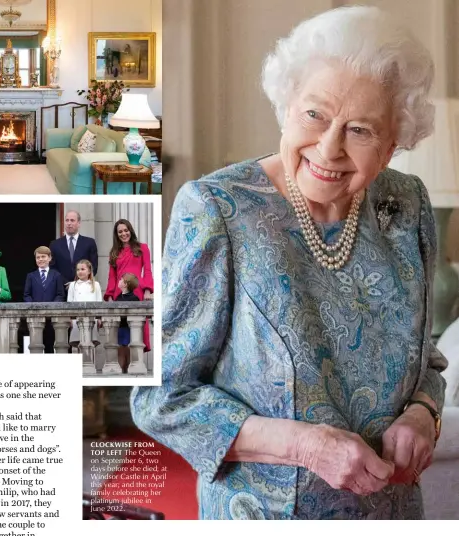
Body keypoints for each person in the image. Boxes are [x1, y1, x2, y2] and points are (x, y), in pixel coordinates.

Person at [131, 6, 448, 520]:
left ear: (392, 145)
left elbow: (425, 358)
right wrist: (305, 447)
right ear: (286, 106)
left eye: (361, 130)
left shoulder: (406, 205)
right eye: (315, 114)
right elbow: (161, 398)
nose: (329, 147)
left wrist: (422, 413)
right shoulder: (218, 210)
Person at [104, 219, 153, 353]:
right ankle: (123, 369)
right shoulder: (114, 252)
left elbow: (148, 270)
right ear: (116, 234)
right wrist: (109, 296)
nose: (123, 234)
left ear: (130, 230)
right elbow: (112, 276)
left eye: (126, 230)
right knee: (121, 335)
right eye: (120, 231)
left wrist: (148, 290)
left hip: (137, 292)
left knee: (137, 330)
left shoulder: (142, 248)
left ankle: (136, 364)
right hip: (119, 294)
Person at [23, 246, 65, 353]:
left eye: (43, 256)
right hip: (35, 317)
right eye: (38, 257)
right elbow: (27, 295)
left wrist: (52, 307)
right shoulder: (31, 276)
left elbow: (60, 294)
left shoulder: (57, 275)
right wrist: (33, 307)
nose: (40, 259)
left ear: (50, 258)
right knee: (35, 345)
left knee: (50, 344)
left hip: (51, 317)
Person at [49, 210, 98, 287]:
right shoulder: (55, 244)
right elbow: (52, 268)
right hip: (62, 289)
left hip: (83, 287)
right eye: (67, 220)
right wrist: (66, 283)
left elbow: (93, 266)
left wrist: (78, 282)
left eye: (72, 220)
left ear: (79, 223)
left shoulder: (89, 243)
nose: (69, 223)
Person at [67, 259, 102, 349]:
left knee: (91, 343)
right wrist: (70, 318)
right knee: (77, 344)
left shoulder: (96, 284)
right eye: (78, 270)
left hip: (92, 319)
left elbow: (99, 302)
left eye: (82, 269)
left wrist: (99, 318)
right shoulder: (73, 285)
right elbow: (69, 302)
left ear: (89, 271)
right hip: (76, 319)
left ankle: (91, 363)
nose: (80, 272)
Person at [114, 273, 140, 373]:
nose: (119, 281)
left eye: (121, 280)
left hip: (129, 328)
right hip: (120, 327)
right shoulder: (118, 297)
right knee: (120, 349)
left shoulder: (134, 298)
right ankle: (121, 369)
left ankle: (129, 368)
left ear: (125, 284)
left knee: (129, 349)